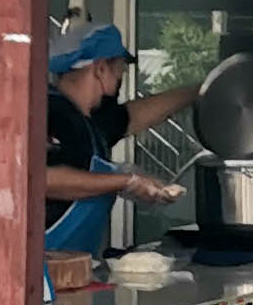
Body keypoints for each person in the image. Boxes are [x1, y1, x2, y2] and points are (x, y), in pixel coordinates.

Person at [46, 24, 194, 256]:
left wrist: (200, 91)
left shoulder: (90, 119)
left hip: (76, 265)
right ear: (100, 68)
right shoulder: (51, 113)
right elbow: (44, 179)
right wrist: (125, 181)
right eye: (120, 71)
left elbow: (137, 114)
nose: (120, 79)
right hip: (42, 268)